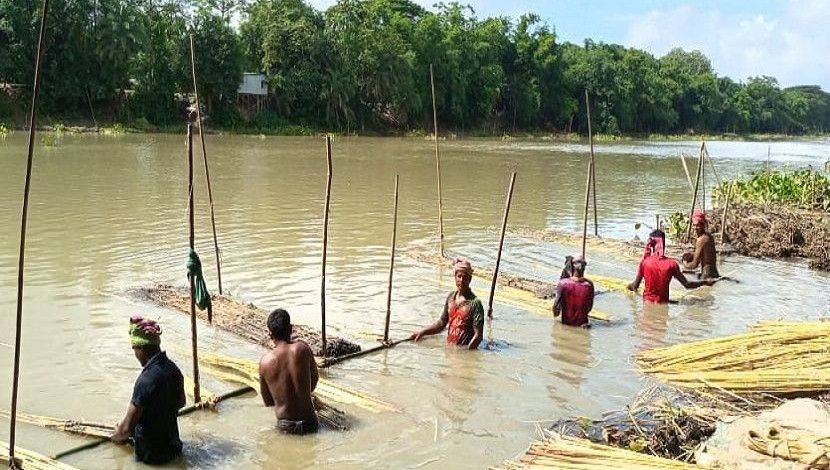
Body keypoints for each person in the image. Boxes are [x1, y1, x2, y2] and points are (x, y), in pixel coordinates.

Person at [111, 316, 185, 465]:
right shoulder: (173, 369)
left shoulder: (145, 381)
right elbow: (181, 403)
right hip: (174, 449)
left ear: (142, 349)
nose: (135, 355)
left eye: (135, 350)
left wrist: (115, 436)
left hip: (151, 458)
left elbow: (126, 430)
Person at [259, 308, 320, 435]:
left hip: (286, 427)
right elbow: (314, 379)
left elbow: (268, 401)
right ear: (290, 328)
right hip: (310, 423)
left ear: (270, 334)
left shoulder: (265, 362)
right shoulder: (303, 349)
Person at [410, 257, 484, 350]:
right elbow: (441, 323)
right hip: (450, 349)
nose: (461, 280)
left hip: (463, 350)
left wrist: (466, 356)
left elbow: (478, 336)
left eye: (465, 277)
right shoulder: (451, 298)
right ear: (455, 277)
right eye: (459, 276)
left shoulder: (475, 303)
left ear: (470, 279)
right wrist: (422, 332)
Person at [627, 229, 716, 304]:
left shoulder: (645, 263)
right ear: (663, 244)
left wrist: (628, 287)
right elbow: (687, 285)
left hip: (647, 305)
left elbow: (635, 286)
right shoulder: (672, 264)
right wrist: (705, 282)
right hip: (664, 305)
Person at [552, 254, 594, 327]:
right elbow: (589, 309)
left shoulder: (563, 283)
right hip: (583, 326)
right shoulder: (589, 286)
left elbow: (556, 310)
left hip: (566, 325)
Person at [682, 210, 720, 279]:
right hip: (714, 273)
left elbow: (694, 265)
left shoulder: (701, 240)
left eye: (698, 226)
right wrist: (693, 254)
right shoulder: (709, 236)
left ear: (703, 225)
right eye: (694, 225)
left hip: (707, 275)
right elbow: (706, 255)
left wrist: (685, 264)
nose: (695, 228)